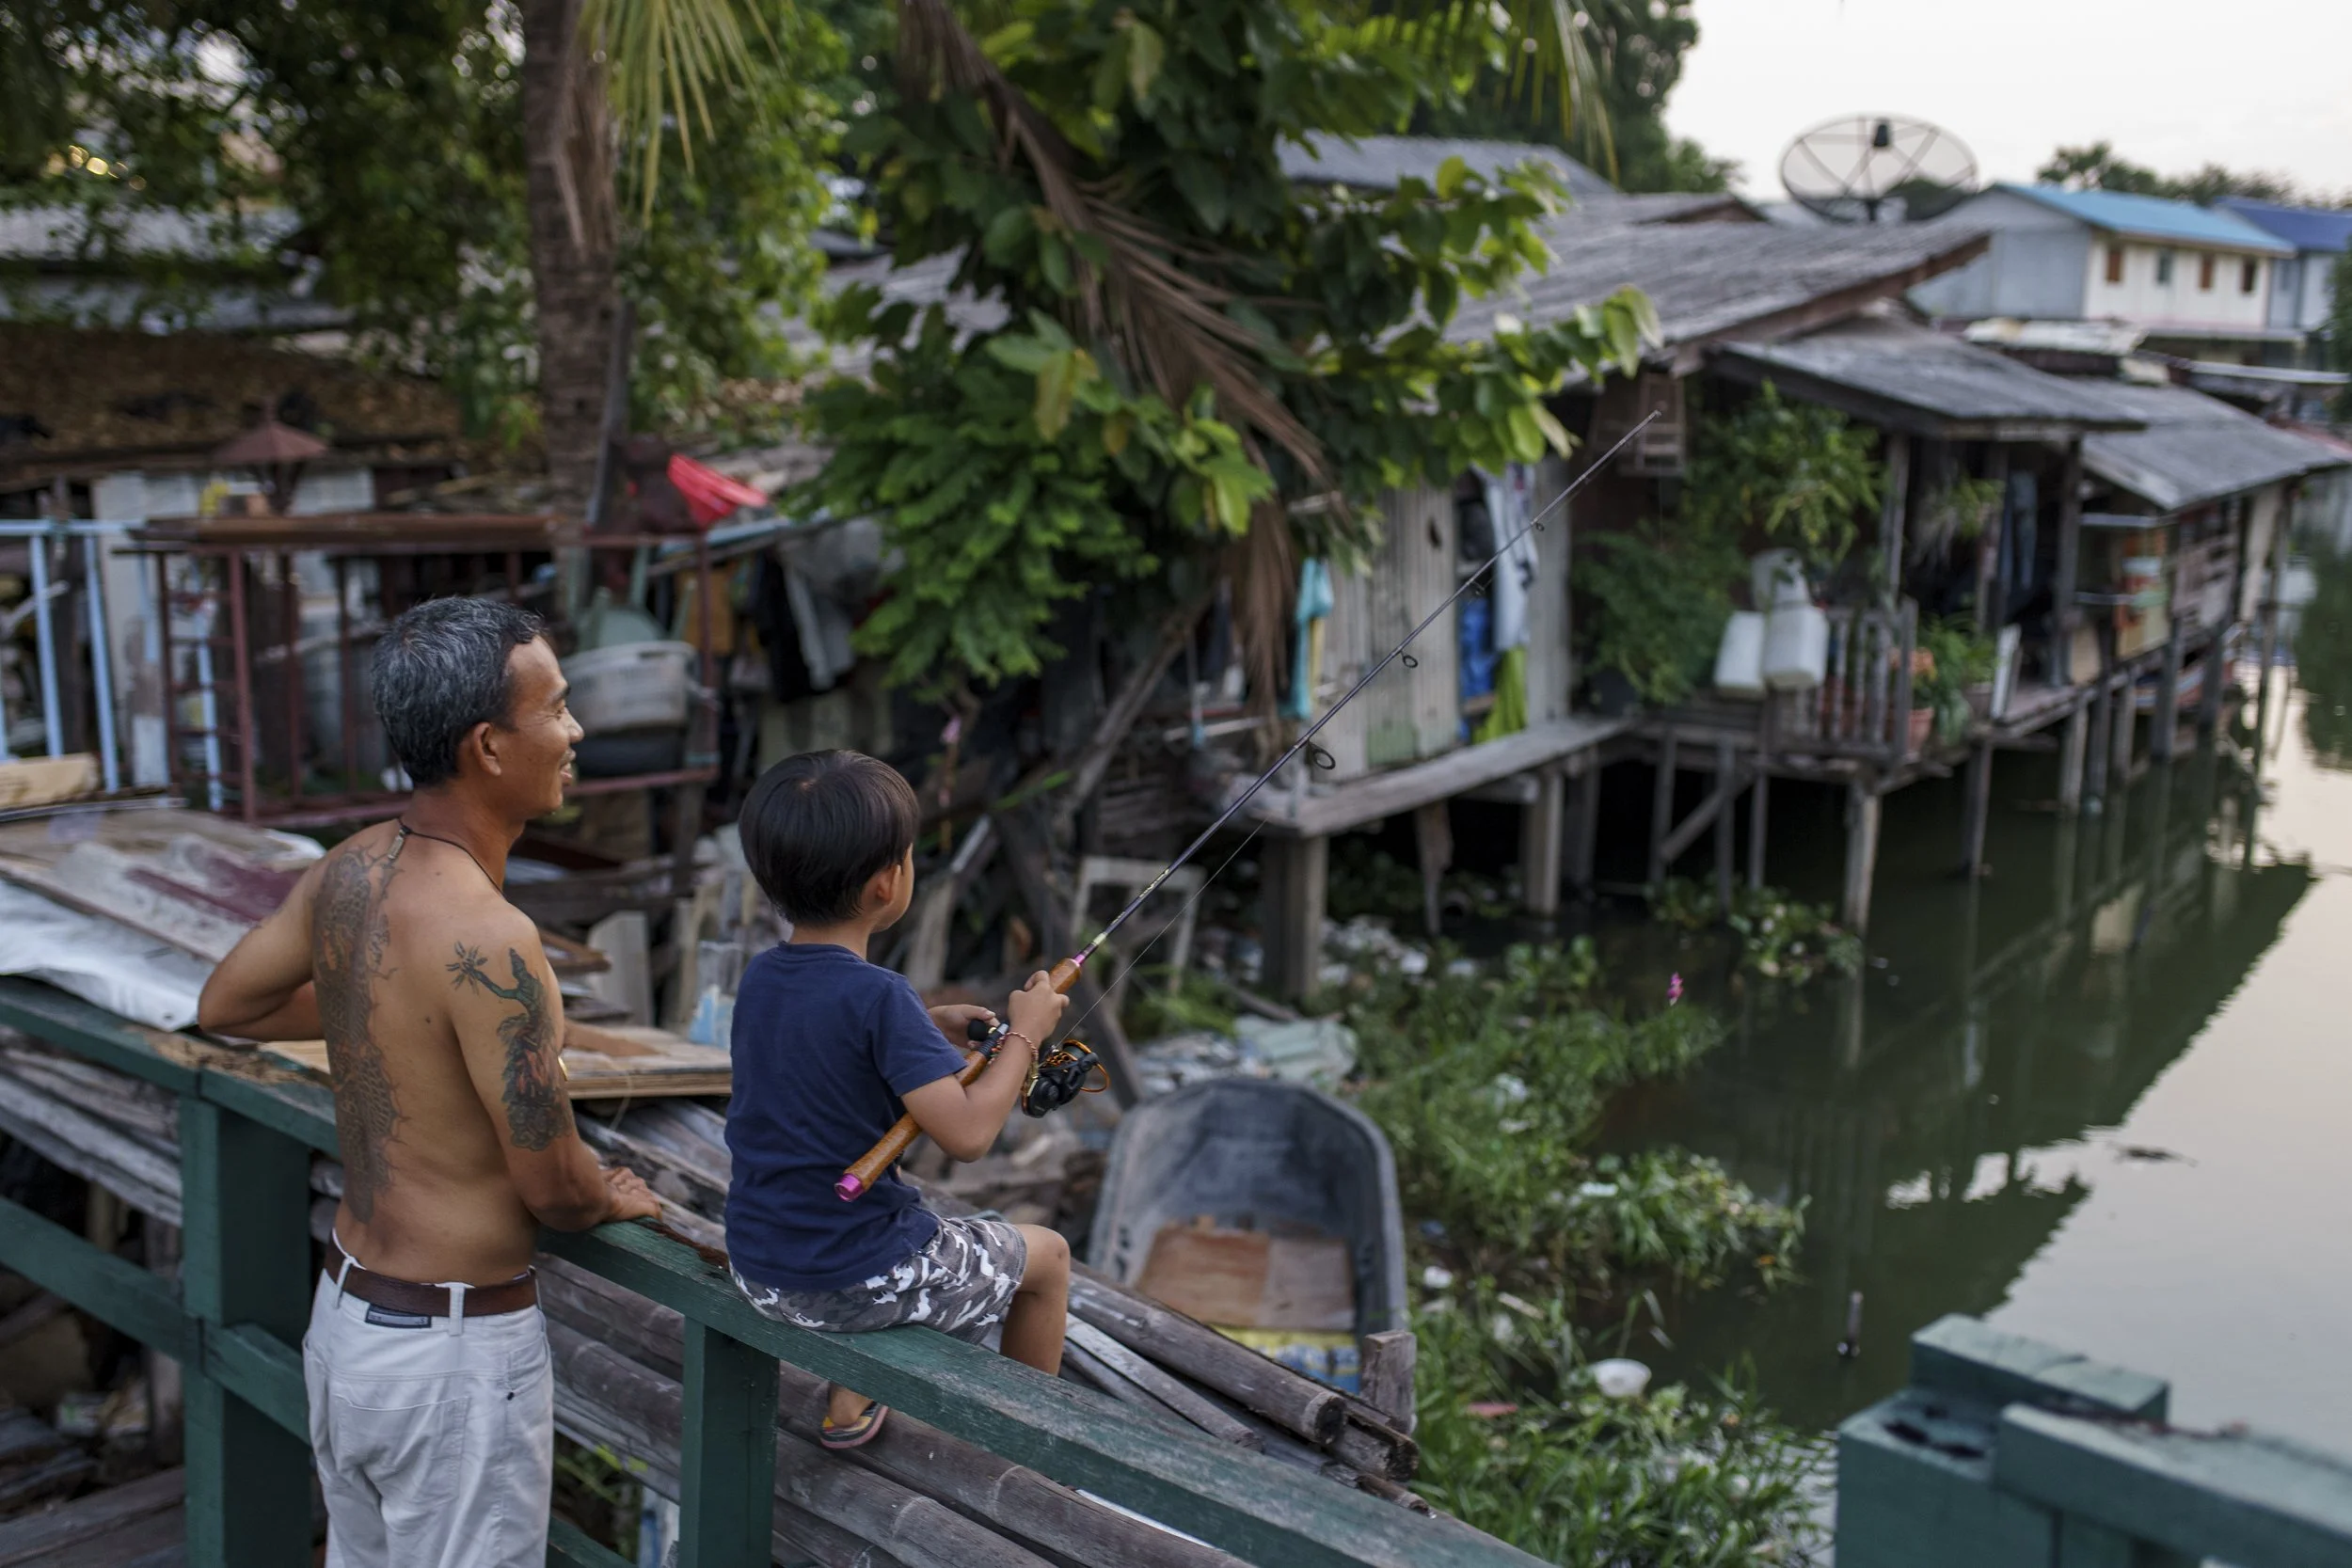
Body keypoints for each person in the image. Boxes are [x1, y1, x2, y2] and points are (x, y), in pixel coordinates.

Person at [198, 596, 660, 1568]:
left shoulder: (353, 870)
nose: (575, 731)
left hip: (350, 1324)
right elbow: (552, 1187)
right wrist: (608, 1193)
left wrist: (389, 1019)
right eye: (559, 706)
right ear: (490, 745)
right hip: (452, 1360)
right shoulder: (492, 940)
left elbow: (226, 1007)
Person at [726, 749, 1071, 1448]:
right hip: (850, 1281)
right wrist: (1027, 1036)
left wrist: (925, 1021)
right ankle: (1032, 1450)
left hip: (761, 1265)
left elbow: (829, 1056)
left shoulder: (764, 978)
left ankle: (851, 1399)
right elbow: (969, 1137)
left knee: (929, 1223)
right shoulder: (878, 996)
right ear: (889, 882)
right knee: (1049, 1255)